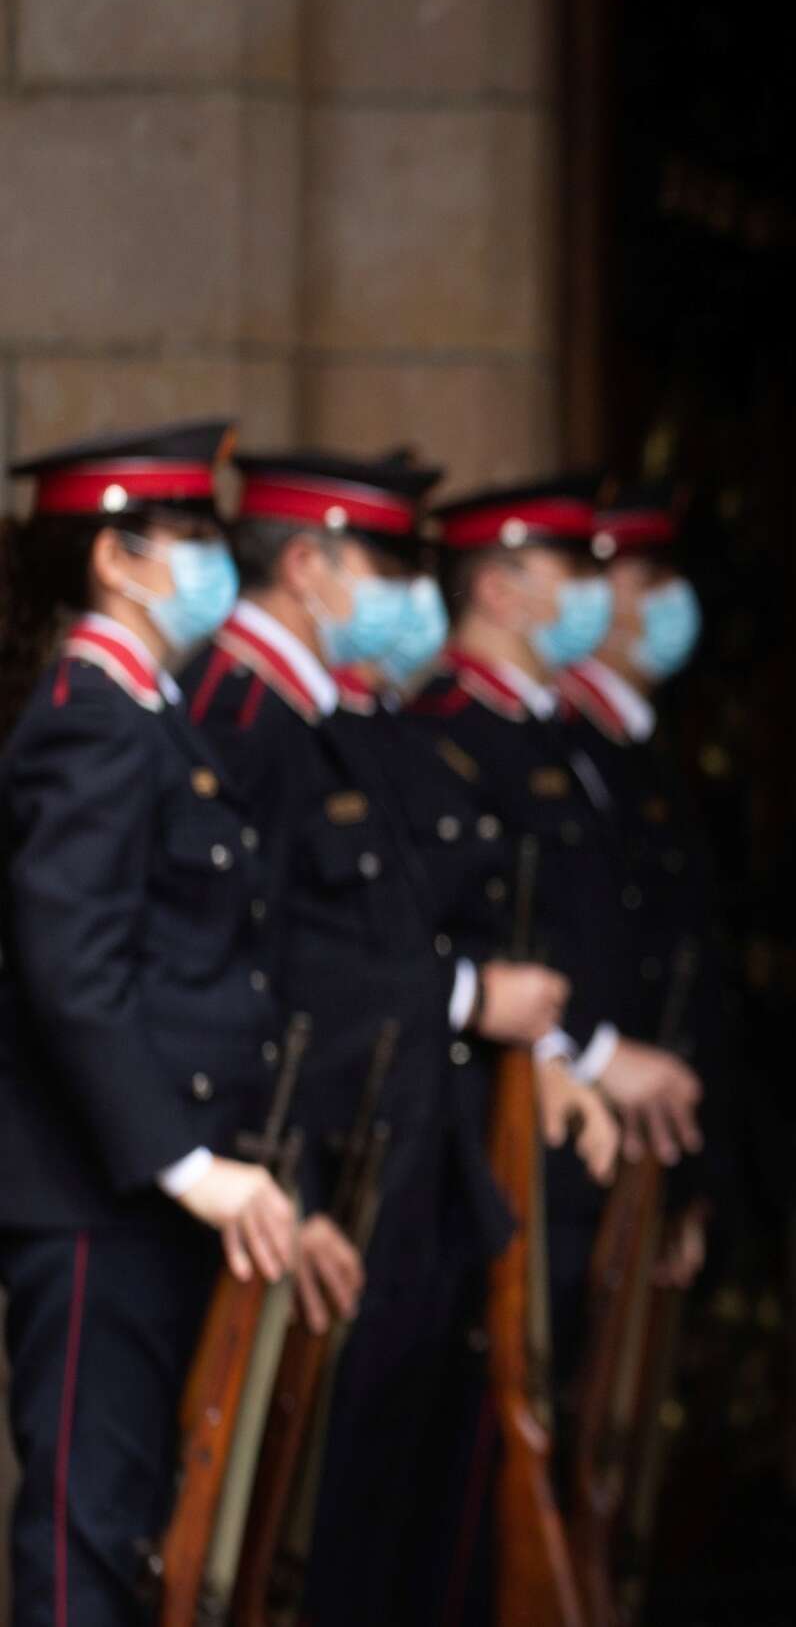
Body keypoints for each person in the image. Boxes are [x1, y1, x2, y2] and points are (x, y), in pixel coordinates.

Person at [174, 447, 589, 1626]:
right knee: (288, 1537)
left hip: (392, 1159)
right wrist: (463, 999)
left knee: (381, 1524)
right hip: (310, 1171)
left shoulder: (336, 720)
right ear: (308, 563)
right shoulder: (238, 716)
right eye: (390, 564)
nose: (417, 592)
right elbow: (274, 961)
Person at [0, 420, 303, 1627]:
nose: (216, 559)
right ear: (117, 560)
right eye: (190, 536)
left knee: (152, 1542)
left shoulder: (148, 716)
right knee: (90, 1540)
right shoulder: (90, 719)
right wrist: (186, 1164)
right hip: (98, 1199)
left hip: (149, 1195)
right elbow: (73, 969)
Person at [409, 477, 702, 1394]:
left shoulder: (569, 741)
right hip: (516, 1131)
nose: (591, 591)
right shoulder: (447, 736)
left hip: (605, 1139)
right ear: (497, 588)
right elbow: (459, 941)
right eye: (567, 568)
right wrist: (593, 1052)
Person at [558, 488, 729, 1284]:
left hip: (661, 1119)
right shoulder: (566, 744)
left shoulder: (641, 744)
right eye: (644, 577)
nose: (668, 599)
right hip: (595, 1124)